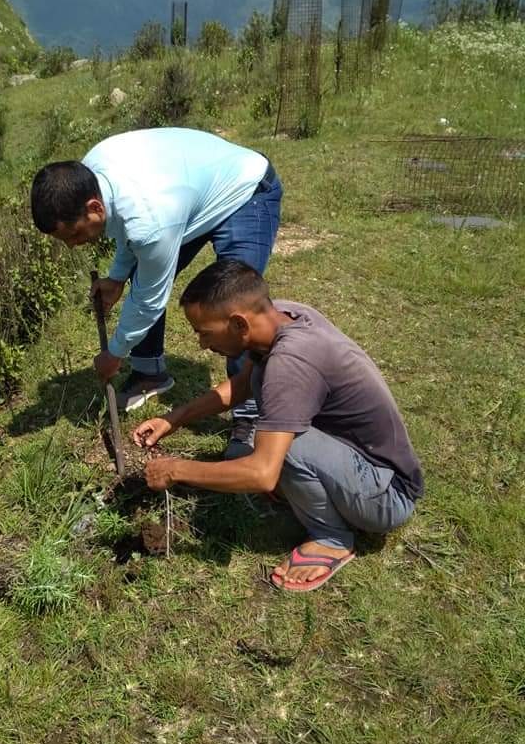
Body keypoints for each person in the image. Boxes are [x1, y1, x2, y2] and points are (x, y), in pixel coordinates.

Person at [133, 260, 424, 592]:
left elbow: (261, 474)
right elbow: (243, 386)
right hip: (360, 463)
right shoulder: (281, 316)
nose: (201, 344)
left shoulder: (291, 362)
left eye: (204, 333)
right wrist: (174, 419)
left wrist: (175, 470)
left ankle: (332, 538)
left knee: (277, 450)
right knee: (256, 444)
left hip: (386, 495)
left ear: (239, 323)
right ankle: (313, 489)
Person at [30, 127, 283, 458]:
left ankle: (248, 416)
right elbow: (125, 227)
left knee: (234, 308)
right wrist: (118, 277)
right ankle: (150, 374)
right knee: (142, 272)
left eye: (74, 235)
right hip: (184, 198)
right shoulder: (92, 175)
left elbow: (150, 296)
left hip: (245, 190)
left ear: (94, 207)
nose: (74, 245)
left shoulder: (150, 219)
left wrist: (115, 353)